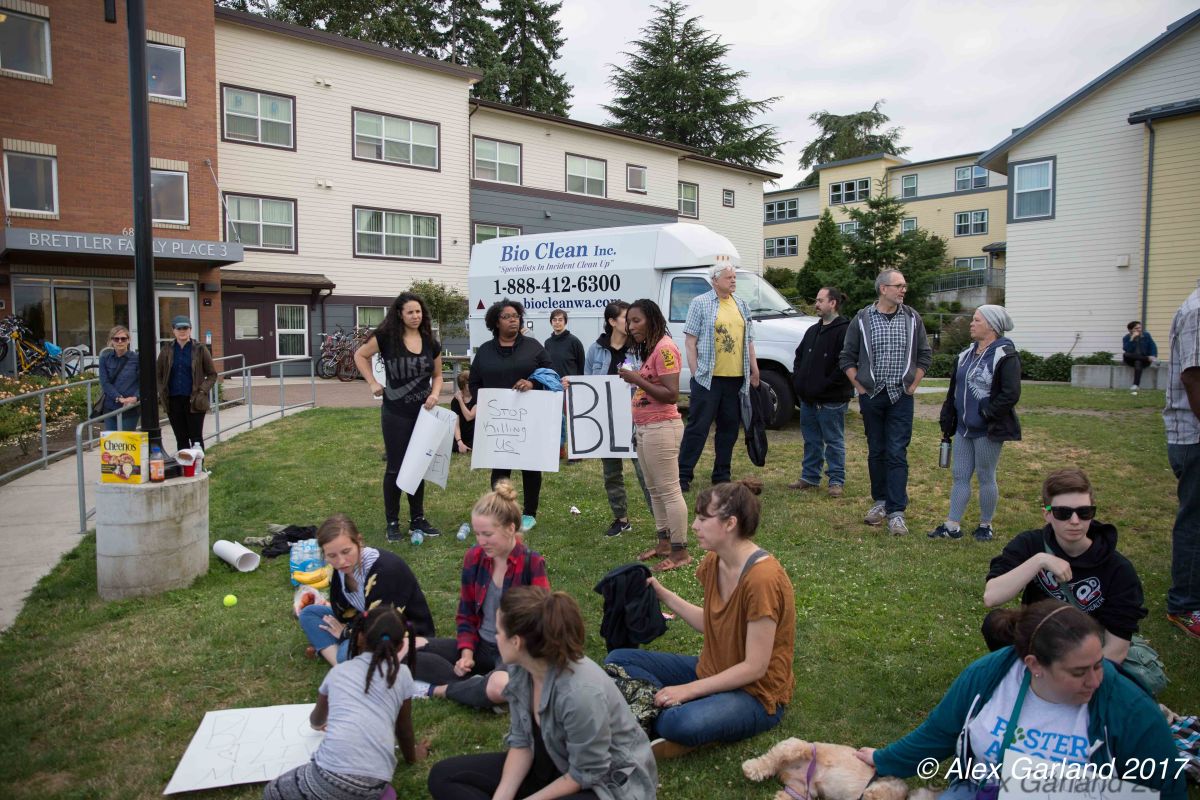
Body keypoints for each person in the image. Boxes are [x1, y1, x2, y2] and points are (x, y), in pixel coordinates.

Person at [855, 601, 1185, 800]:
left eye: (1099, 664)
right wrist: (884, 760)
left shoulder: (1130, 707)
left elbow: (1166, 787)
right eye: (1078, 672)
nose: (1096, 680)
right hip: (982, 791)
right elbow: (940, 733)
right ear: (1034, 665)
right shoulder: (989, 675)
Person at [605, 479, 796, 747]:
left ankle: (659, 706)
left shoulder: (762, 579)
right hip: (711, 670)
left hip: (753, 693)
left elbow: (755, 667)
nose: (694, 526)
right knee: (618, 659)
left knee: (676, 723)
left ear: (730, 524)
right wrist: (662, 593)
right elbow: (711, 623)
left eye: (703, 519)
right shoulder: (714, 560)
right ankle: (662, 703)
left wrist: (688, 690)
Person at [427, 586, 657, 800]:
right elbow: (522, 743)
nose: (495, 638)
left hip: (607, 785)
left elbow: (586, 773)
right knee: (443, 776)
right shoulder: (521, 668)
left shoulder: (580, 693)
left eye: (498, 632)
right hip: (554, 762)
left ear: (516, 642)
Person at [981, 468, 1146, 663]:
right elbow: (992, 596)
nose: (1075, 521)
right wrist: (1039, 560)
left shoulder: (1118, 569)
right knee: (996, 623)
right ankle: (1027, 672)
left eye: (1084, 512)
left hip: (1087, 648)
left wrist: (1078, 674)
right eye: (1063, 513)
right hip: (1040, 634)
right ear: (1047, 514)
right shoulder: (1030, 544)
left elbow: (1116, 649)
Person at [265, 603, 427, 800]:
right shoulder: (402, 674)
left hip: (328, 776)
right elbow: (404, 728)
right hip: (376, 783)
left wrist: (318, 724)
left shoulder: (338, 672)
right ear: (401, 646)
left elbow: (316, 720)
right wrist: (412, 757)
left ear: (358, 637)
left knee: (272, 791)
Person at [417, 480, 549, 709]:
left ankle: (442, 689)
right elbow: (466, 613)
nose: (481, 541)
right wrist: (466, 653)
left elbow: (542, 624)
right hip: (481, 645)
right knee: (409, 649)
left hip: (514, 652)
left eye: (487, 534)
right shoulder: (474, 557)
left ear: (510, 528)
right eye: (477, 533)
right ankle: (475, 686)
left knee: (500, 686)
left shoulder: (532, 563)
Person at [839, 270, 932, 536]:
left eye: (905, 285)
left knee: (897, 452)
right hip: (872, 396)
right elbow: (846, 357)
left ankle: (896, 512)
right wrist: (860, 387)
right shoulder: (862, 318)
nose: (904, 290)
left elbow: (925, 355)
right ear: (883, 289)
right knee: (877, 450)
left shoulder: (912, 318)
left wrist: (912, 385)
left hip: (901, 397)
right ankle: (880, 501)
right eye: (898, 285)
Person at [353, 292, 443, 542]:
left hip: (423, 414)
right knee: (395, 467)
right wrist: (372, 382)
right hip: (395, 412)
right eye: (410, 312)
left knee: (418, 465)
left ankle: (417, 519)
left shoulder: (430, 341)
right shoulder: (386, 337)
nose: (415, 316)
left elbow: (437, 376)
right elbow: (360, 355)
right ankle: (392, 522)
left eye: (418, 311)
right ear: (400, 315)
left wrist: (435, 394)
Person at [929, 305, 1022, 542]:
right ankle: (952, 525)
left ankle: (985, 525)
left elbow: (1010, 393)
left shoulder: (1005, 354)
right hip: (963, 428)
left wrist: (988, 414)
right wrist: (948, 417)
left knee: (985, 475)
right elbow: (954, 390)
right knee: (960, 475)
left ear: (992, 326)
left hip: (987, 430)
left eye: (977, 320)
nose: (972, 324)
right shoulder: (965, 355)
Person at [298, 514, 435, 668]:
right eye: (332, 555)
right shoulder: (341, 569)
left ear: (359, 542)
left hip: (398, 634)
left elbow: (383, 626)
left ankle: (343, 664)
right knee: (309, 613)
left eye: (346, 551)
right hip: (362, 620)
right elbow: (346, 611)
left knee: (344, 654)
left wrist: (346, 633)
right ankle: (345, 666)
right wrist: (346, 627)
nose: (341, 561)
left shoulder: (386, 570)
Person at [469, 299, 556, 532]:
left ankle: (529, 513)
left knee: (530, 465)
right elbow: (474, 381)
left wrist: (532, 383)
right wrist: (483, 402)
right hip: (498, 422)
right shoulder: (485, 351)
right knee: (500, 467)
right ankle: (501, 511)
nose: (513, 320)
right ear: (495, 322)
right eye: (507, 316)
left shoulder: (533, 347)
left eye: (516, 316)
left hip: (529, 418)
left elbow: (550, 374)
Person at [620, 299, 691, 572]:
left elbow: (671, 394)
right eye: (629, 321)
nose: (631, 326)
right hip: (646, 428)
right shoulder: (651, 349)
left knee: (669, 490)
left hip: (662, 427)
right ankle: (664, 543)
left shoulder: (665, 349)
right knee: (654, 489)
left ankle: (680, 551)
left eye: (636, 320)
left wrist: (636, 378)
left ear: (652, 319)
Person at [677, 262, 761, 493]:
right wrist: (696, 373)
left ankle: (722, 474)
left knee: (729, 429)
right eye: (728, 277)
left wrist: (754, 369)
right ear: (715, 280)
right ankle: (682, 475)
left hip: (736, 379)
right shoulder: (700, 303)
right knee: (698, 428)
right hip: (708, 379)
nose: (733, 280)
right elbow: (690, 341)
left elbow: (749, 340)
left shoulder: (741, 304)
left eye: (734, 277)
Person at [584, 300, 651, 538]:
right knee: (611, 472)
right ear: (612, 321)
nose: (631, 323)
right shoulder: (595, 350)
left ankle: (662, 523)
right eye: (626, 318)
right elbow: (588, 384)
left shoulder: (640, 348)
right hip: (606, 421)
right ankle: (621, 519)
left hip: (636, 418)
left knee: (645, 471)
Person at [789, 287, 852, 496]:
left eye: (820, 300)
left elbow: (845, 364)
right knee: (811, 440)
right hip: (808, 398)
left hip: (832, 399)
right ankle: (810, 477)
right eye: (816, 300)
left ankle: (836, 480)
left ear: (832, 303)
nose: (816, 304)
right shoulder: (812, 330)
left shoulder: (845, 331)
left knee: (834, 441)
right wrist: (798, 380)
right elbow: (799, 356)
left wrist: (824, 384)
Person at [1164, 280, 1200, 639]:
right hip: (1194, 436)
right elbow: (1194, 376)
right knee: (1195, 520)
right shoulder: (1198, 310)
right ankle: (1186, 605)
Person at [155, 315, 217, 453]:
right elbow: (158, 374)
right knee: (181, 438)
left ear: (190, 329)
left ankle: (198, 464)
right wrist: (162, 390)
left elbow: (212, 374)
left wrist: (202, 391)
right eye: (179, 328)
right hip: (173, 400)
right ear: (173, 330)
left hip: (194, 400)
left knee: (196, 438)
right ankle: (184, 464)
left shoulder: (200, 349)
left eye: (185, 328)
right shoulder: (166, 350)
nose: (182, 331)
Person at [545, 308, 586, 462]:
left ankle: (577, 453)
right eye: (554, 320)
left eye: (560, 319)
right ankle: (560, 450)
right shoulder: (547, 343)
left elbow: (581, 366)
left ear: (565, 322)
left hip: (571, 387)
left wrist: (577, 383)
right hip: (554, 388)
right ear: (551, 322)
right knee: (557, 420)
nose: (557, 322)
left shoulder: (574, 341)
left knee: (573, 421)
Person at [98, 324, 139, 432]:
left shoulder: (137, 359)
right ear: (112, 341)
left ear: (128, 340)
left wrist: (135, 397)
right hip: (110, 406)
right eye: (116, 339)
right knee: (112, 440)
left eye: (123, 339)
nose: (120, 341)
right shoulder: (105, 358)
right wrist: (119, 398)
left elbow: (143, 382)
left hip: (130, 407)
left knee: (126, 439)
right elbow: (105, 382)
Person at [1122, 320, 1158, 394]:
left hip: (1143, 361)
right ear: (1130, 330)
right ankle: (1148, 358)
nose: (1139, 329)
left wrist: (1153, 355)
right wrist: (1132, 339)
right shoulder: (1126, 338)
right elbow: (1127, 349)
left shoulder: (1146, 335)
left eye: (1140, 328)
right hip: (1131, 360)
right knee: (1126, 354)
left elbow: (1153, 346)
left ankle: (1135, 385)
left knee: (1138, 362)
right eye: (1136, 328)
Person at [451, 369, 476, 453]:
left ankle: (465, 447)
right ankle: (461, 446)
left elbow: (469, 417)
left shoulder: (477, 397)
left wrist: (460, 401)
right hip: (461, 434)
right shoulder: (455, 401)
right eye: (469, 382)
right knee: (448, 443)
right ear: (463, 384)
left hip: (473, 435)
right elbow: (456, 424)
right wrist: (459, 441)